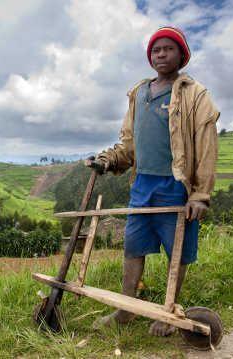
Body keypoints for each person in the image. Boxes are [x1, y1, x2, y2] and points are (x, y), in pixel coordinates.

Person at [93, 26, 220, 337]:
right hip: (143, 185)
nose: (161, 54)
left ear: (182, 55)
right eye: (155, 50)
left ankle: (167, 314)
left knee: (176, 252)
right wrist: (111, 159)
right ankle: (126, 310)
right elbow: (130, 141)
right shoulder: (139, 93)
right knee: (133, 246)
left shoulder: (194, 94)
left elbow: (205, 146)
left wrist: (200, 195)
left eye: (168, 49)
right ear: (150, 56)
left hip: (176, 187)